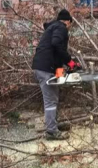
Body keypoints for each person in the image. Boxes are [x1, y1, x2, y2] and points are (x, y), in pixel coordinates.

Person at [32, 9, 80, 140]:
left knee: (53, 98)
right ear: (68, 22)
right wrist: (70, 62)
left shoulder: (52, 28)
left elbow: (55, 53)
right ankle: (51, 131)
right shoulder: (61, 27)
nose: (69, 28)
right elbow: (57, 45)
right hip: (45, 68)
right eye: (70, 25)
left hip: (44, 67)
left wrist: (60, 72)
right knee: (50, 101)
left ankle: (54, 125)